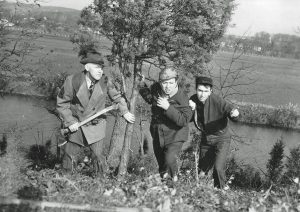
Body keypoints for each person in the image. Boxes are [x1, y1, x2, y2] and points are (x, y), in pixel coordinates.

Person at [57, 50, 135, 175]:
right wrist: (70, 121)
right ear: (87, 67)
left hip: (96, 125)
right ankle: (65, 182)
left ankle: (100, 184)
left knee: (98, 157)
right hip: (77, 125)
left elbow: (117, 98)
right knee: (69, 156)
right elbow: (62, 104)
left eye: (102, 68)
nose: (100, 71)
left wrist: (125, 112)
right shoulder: (72, 81)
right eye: (97, 68)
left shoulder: (105, 81)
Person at [139, 68, 193, 181]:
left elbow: (184, 120)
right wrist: (141, 84)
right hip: (158, 134)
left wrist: (168, 107)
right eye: (164, 83)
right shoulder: (156, 89)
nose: (167, 86)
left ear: (176, 82)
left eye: (171, 83)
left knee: (169, 159)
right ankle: (167, 188)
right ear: (160, 82)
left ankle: (175, 181)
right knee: (162, 165)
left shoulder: (182, 97)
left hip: (176, 134)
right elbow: (150, 98)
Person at [189, 76, 239, 189]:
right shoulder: (193, 100)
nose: (202, 94)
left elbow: (230, 110)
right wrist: (190, 109)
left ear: (210, 91)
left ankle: (220, 192)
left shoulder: (217, 100)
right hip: (206, 139)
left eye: (206, 91)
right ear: (196, 89)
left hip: (221, 138)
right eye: (200, 90)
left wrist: (234, 114)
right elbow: (186, 118)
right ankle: (202, 193)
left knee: (218, 168)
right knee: (203, 171)